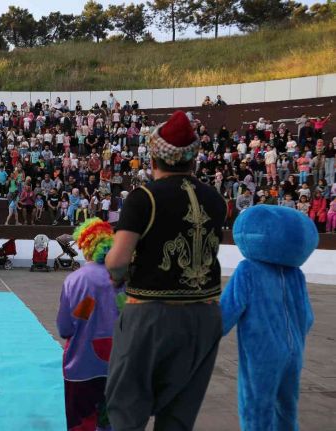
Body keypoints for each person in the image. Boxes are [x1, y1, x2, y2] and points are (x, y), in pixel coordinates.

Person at [104, 111, 226, 430]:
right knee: (178, 416)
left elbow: (117, 261)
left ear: (154, 157)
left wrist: (117, 276)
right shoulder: (215, 199)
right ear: (193, 159)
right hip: (204, 316)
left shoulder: (144, 198)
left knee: (127, 408)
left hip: (152, 315)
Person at [221, 206, 317, 431]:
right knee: (287, 408)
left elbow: (227, 310)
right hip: (295, 352)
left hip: (262, 352)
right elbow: (308, 317)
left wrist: (204, 333)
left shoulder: (248, 269)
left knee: (256, 407)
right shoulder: (296, 275)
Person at [57, 218, 124, 431]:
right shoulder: (124, 279)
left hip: (82, 366)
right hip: (119, 366)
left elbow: (65, 328)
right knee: (111, 421)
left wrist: (87, 310)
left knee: (82, 422)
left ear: (85, 245)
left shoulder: (75, 279)